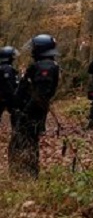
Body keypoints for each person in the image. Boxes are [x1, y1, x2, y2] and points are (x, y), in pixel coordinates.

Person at [8, 34, 60, 178]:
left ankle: (28, 175)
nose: (31, 51)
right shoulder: (43, 64)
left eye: (34, 48)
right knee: (21, 143)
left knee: (28, 143)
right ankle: (22, 173)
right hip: (28, 112)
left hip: (31, 115)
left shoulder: (46, 67)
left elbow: (40, 95)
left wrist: (25, 112)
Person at [0, 46, 19, 126]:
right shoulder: (7, 69)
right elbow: (9, 85)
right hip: (6, 97)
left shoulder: (3, 67)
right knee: (16, 115)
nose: (14, 58)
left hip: (3, 97)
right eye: (13, 56)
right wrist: (14, 97)